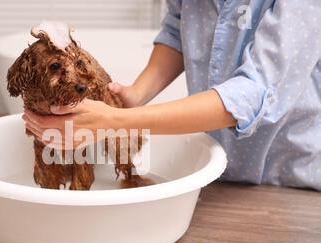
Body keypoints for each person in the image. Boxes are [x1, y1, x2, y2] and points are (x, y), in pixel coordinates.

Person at [23, 0, 321, 190]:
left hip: (288, 177)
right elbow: (177, 31)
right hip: (218, 172)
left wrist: (116, 120)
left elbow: (253, 92)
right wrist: (136, 95)